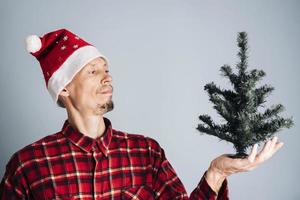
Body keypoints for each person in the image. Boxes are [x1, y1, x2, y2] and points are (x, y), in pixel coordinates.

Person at [0, 29, 284, 200]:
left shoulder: (146, 153)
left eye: (106, 70)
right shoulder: (28, 166)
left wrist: (217, 172)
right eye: (93, 71)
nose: (107, 78)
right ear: (64, 88)